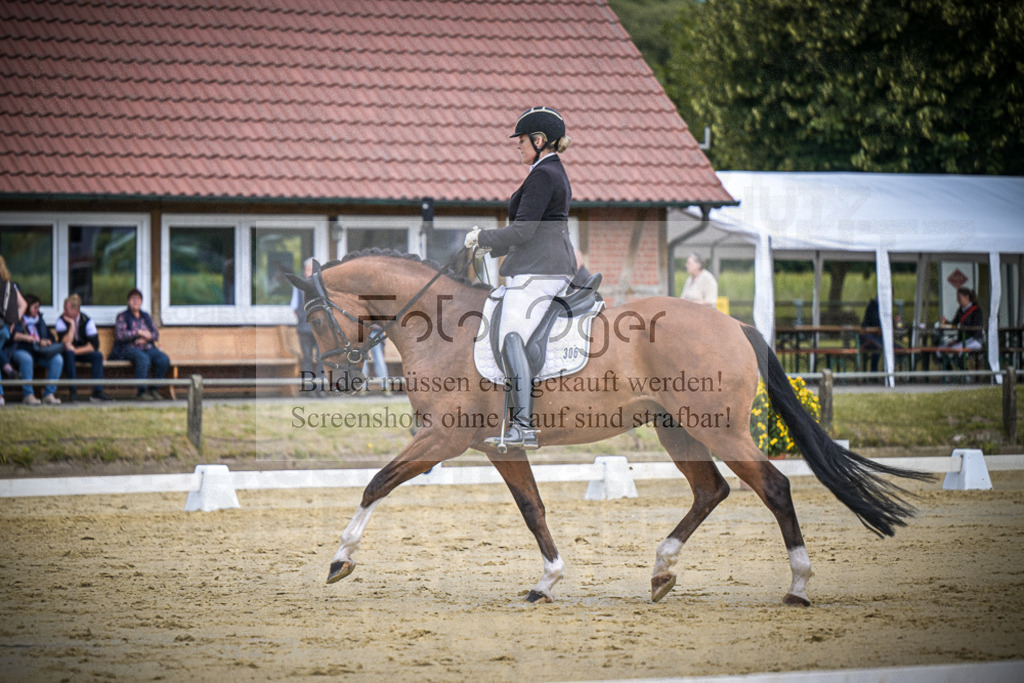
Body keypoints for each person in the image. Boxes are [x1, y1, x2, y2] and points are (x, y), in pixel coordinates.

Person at [464, 106, 576, 450]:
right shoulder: (548, 171)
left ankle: (523, 425)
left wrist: (483, 239)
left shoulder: (543, 175)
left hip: (541, 270)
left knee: (511, 334)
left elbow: (524, 230)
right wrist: (490, 249)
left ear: (539, 141)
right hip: (541, 265)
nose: (518, 146)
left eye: (522, 140)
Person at [110, 288, 171, 401]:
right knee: (143, 358)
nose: (135, 301)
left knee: (163, 359)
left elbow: (155, 334)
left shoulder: (145, 316)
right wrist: (138, 332)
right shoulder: (122, 316)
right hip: (128, 348)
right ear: (128, 301)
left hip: (147, 346)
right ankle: (141, 392)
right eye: (133, 299)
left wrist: (147, 338)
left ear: (141, 302)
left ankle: (154, 389)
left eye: (138, 299)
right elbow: (120, 335)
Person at [54, 294, 112, 402]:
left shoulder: (87, 321)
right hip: (67, 353)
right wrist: (71, 325)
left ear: (76, 309)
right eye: (64, 308)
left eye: (67, 309)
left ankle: (97, 392)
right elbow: (66, 343)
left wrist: (75, 350)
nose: (64, 311)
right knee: (69, 354)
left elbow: (94, 346)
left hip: (80, 351)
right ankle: (73, 392)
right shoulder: (61, 320)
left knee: (97, 356)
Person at [9, 293, 63, 405]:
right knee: (26, 359)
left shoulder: (39, 320)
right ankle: (28, 395)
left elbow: (50, 336)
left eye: (38, 307)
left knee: (57, 359)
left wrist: (47, 341)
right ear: (27, 307)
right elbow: (12, 335)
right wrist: (29, 338)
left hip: (39, 352)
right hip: (21, 350)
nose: (37, 310)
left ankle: (48, 394)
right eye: (35, 307)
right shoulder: (18, 319)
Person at [938, 287, 984, 360]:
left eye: (959, 298)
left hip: (975, 339)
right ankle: (948, 368)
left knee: (953, 350)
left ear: (967, 297)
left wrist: (958, 341)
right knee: (941, 348)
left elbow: (976, 329)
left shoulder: (976, 310)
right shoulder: (960, 310)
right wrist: (946, 322)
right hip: (963, 340)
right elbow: (954, 324)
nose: (957, 300)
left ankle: (962, 369)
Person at [290, 257, 317, 376]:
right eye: (307, 270)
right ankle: (309, 389)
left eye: (311, 270)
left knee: (322, 358)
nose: (309, 273)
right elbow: (294, 307)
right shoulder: (298, 287)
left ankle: (320, 389)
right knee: (307, 358)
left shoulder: (323, 286)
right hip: (304, 329)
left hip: (321, 330)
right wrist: (302, 319)